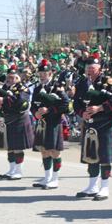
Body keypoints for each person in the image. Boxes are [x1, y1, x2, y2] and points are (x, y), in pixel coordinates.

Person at [74, 54, 112, 201]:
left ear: (99, 69)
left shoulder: (107, 81)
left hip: (105, 123)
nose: (89, 71)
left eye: (92, 68)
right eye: (87, 68)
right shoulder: (81, 84)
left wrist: (99, 108)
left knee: (104, 158)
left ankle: (105, 188)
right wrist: (83, 113)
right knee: (91, 156)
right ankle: (92, 186)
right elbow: (76, 103)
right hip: (90, 124)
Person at [31, 59, 70, 189]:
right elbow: (32, 106)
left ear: (51, 73)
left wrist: (49, 110)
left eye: (44, 72)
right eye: (40, 72)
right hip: (41, 123)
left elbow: (65, 103)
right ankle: (47, 178)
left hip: (53, 122)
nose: (41, 75)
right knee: (43, 150)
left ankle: (55, 179)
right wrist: (35, 113)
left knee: (54, 151)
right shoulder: (37, 88)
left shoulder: (58, 86)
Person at [0, 66, 34, 180]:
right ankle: (11, 169)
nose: (8, 79)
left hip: (19, 119)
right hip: (7, 120)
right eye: (7, 77)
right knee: (10, 147)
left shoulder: (22, 87)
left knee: (17, 147)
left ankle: (19, 171)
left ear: (17, 79)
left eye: (11, 77)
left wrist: (4, 101)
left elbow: (20, 99)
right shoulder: (4, 87)